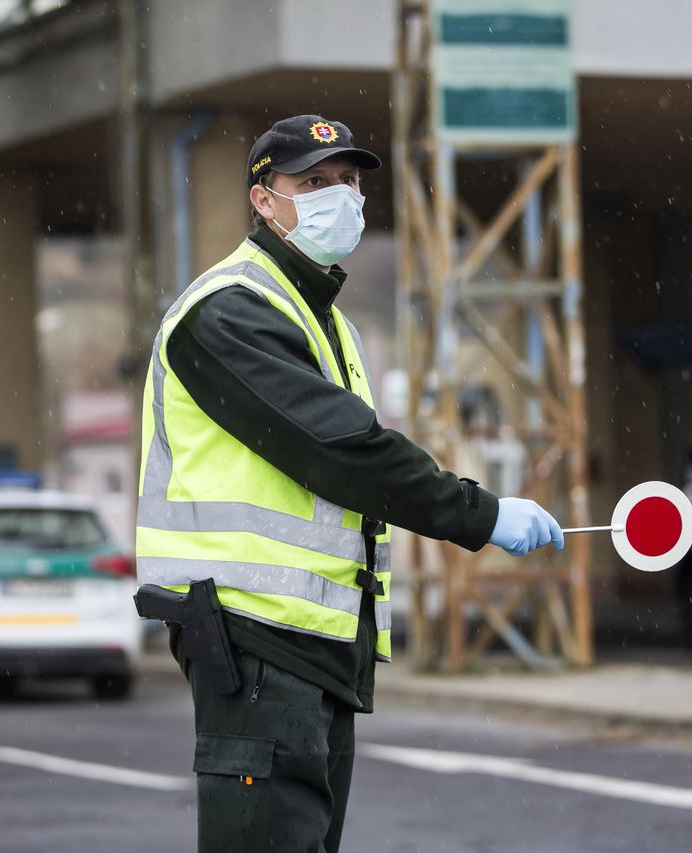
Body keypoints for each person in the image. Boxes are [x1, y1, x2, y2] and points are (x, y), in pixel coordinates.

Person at [136, 114, 563, 853]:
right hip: (254, 639)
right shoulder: (227, 311)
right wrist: (477, 513)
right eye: (313, 183)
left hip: (315, 647)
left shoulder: (321, 318)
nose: (342, 198)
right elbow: (342, 452)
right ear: (263, 200)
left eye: (349, 182)